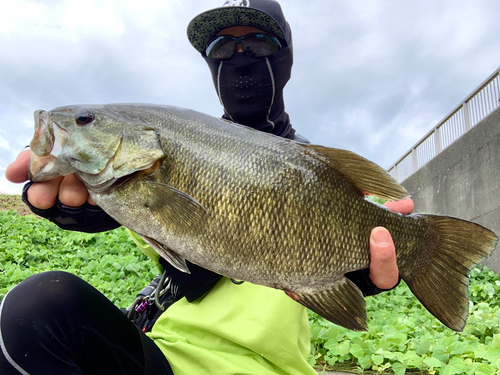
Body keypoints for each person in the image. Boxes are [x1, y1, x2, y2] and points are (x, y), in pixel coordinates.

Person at [2, 1, 414, 374]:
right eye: (221, 48)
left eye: (257, 44)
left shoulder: (321, 173)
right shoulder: (176, 147)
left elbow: (361, 247)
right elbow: (164, 235)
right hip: (164, 356)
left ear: (284, 56)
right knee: (34, 309)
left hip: (269, 368)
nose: (239, 59)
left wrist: (357, 269)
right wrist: (95, 206)